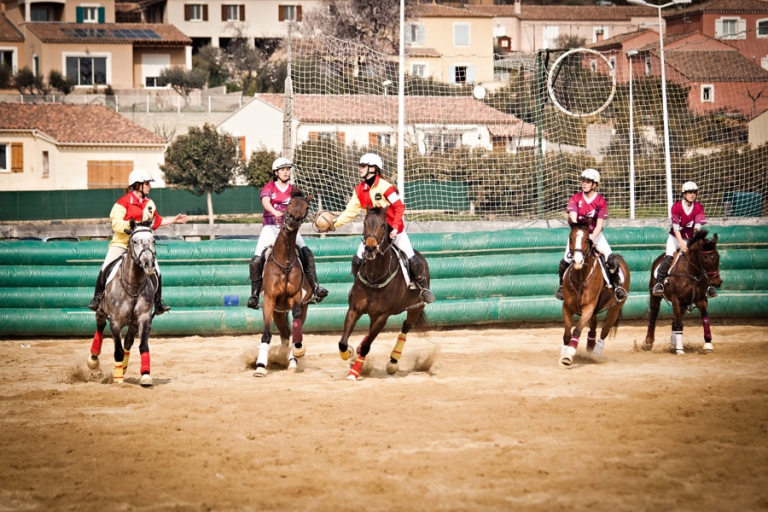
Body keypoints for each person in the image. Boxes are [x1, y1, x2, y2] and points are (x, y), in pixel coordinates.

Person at [329, 153, 435, 304]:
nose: (359, 169)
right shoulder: (359, 190)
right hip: (374, 233)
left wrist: (396, 228)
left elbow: (399, 207)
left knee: (411, 257)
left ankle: (424, 289)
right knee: (358, 259)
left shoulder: (385, 187)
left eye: (363, 166)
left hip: (394, 230)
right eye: (360, 166)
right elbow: (350, 211)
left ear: (373, 168)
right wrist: (334, 223)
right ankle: (358, 287)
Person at [88, 169, 188, 314]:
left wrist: (174, 219)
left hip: (143, 247)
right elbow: (116, 224)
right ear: (137, 185)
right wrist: (133, 227)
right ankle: (97, 299)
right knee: (105, 267)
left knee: (157, 271)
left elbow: (156, 221)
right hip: (122, 244)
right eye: (147, 183)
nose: (150, 186)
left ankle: (158, 302)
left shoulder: (149, 203)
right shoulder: (122, 203)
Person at [247, 157, 328, 309]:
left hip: (290, 230)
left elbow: (301, 204)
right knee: (256, 259)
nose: (286, 172)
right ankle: (255, 295)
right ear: (276, 172)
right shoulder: (269, 187)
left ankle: (316, 288)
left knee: (307, 253)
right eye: (282, 169)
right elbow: (265, 201)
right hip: (271, 228)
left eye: (287, 169)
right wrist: (274, 211)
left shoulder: (294, 190)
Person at [555, 168, 627, 301]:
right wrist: (581, 236)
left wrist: (591, 239)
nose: (584, 184)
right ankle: (561, 287)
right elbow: (573, 219)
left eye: (588, 182)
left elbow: (599, 225)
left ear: (594, 184)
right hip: (579, 236)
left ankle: (617, 287)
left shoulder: (600, 201)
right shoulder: (575, 199)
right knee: (564, 261)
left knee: (611, 259)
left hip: (595, 235)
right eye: (583, 181)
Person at [653, 181, 717, 298]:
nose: (692, 195)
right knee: (668, 257)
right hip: (675, 238)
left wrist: (694, 242)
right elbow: (676, 229)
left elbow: (697, 228)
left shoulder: (698, 207)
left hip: (691, 239)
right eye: (689, 192)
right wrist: (682, 244)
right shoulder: (676, 207)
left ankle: (708, 286)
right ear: (684, 194)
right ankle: (659, 283)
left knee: (702, 258)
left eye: (694, 192)